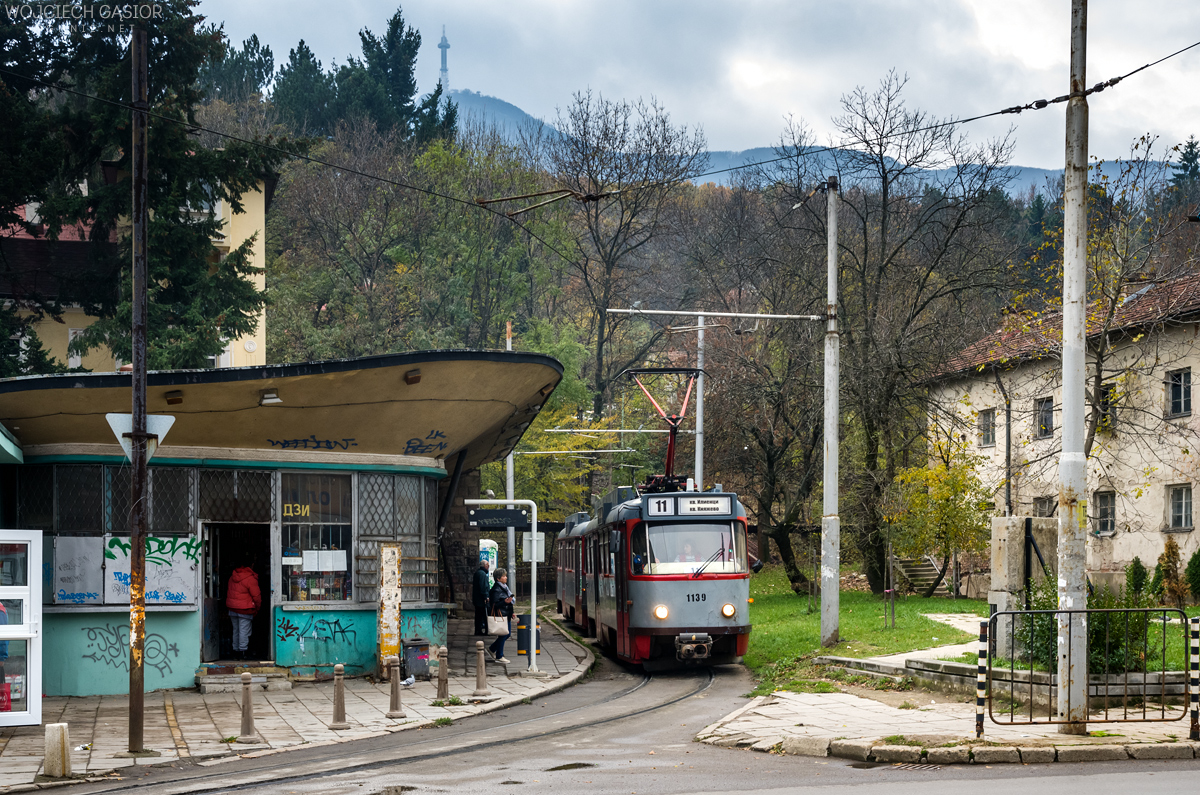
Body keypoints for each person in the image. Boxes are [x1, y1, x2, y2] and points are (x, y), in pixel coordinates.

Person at [226, 560, 261, 661]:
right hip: (245, 609)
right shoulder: (250, 579)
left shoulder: (232, 577)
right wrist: (257, 608)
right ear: (252, 565)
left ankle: (235, 651)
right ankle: (243, 652)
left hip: (232, 608)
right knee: (244, 631)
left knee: (236, 630)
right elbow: (257, 596)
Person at [487, 567, 514, 664]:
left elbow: (509, 602)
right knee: (504, 635)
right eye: (504, 576)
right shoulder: (496, 589)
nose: (506, 578)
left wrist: (512, 611)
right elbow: (494, 604)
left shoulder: (504, 588)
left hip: (507, 614)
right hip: (501, 615)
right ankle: (499, 655)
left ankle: (492, 649)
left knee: (507, 634)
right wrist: (504, 602)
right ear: (498, 578)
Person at [472, 559, 491, 636]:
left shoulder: (477, 573)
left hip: (477, 598)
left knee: (478, 616)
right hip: (481, 599)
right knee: (483, 615)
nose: (488, 567)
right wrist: (486, 596)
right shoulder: (482, 574)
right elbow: (483, 586)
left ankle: (478, 630)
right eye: (488, 565)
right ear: (485, 566)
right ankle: (484, 630)